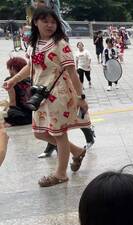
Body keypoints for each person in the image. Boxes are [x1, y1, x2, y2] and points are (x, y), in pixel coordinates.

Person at [2, 8, 91, 187]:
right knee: (39, 132)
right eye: (45, 21)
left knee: (59, 134)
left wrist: (81, 96)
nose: (50, 25)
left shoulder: (60, 44)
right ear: (35, 22)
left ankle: (60, 174)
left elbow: (73, 73)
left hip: (59, 95)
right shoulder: (34, 43)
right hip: (40, 95)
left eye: (53, 21)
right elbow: (30, 66)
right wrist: (14, 80)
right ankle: (77, 151)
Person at [3, 57, 33, 127]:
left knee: (11, 112)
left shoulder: (9, 80)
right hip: (33, 115)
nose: (9, 71)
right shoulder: (30, 79)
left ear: (12, 68)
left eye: (9, 68)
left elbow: (12, 102)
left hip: (22, 115)